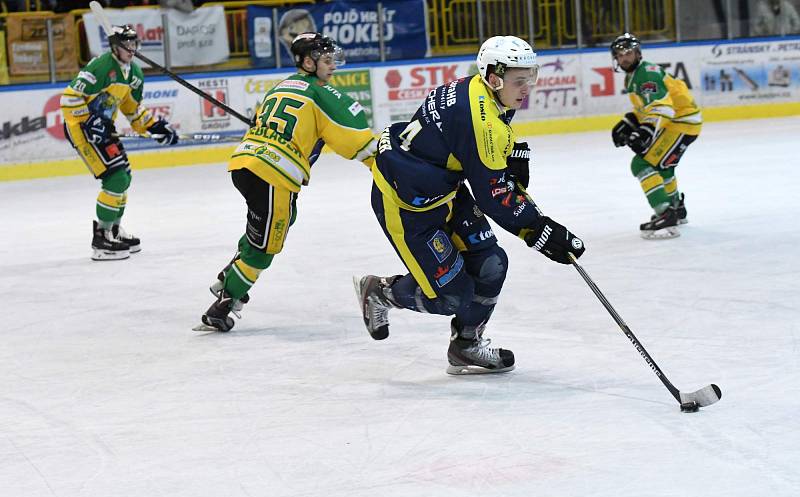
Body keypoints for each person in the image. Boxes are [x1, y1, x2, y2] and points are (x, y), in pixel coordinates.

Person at [353, 36, 586, 375]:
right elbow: (493, 197)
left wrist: (505, 164)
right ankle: (382, 292)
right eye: (520, 80)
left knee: (491, 264)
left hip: (442, 190)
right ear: (494, 77)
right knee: (450, 297)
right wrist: (540, 230)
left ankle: (466, 345)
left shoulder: (477, 90)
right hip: (406, 205)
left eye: (530, 77)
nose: (528, 88)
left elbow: (470, 155)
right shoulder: (482, 120)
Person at [197, 32, 377, 332]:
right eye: (327, 60)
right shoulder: (320, 92)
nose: (332, 65)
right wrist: (383, 162)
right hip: (273, 173)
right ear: (308, 62)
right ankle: (223, 305)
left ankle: (230, 274)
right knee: (266, 246)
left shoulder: (279, 87)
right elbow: (354, 137)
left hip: (245, 165)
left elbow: (260, 123)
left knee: (274, 222)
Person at [61, 24, 179, 260]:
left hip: (104, 129)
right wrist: (88, 120)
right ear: (115, 47)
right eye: (127, 44)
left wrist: (155, 126)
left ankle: (113, 229)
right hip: (83, 129)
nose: (131, 49)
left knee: (124, 176)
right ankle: (101, 238)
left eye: (134, 44)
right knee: (115, 177)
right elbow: (69, 99)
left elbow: (133, 111)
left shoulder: (135, 73)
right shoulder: (101, 66)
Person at [610, 32, 701, 239]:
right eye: (620, 54)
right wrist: (631, 121)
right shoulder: (634, 75)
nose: (624, 58)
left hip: (681, 122)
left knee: (641, 164)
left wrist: (646, 130)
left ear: (637, 53)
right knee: (663, 165)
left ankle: (665, 213)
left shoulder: (646, 75)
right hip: (682, 121)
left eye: (628, 53)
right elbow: (647, 108)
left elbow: (663, 108)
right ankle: (676, 209)